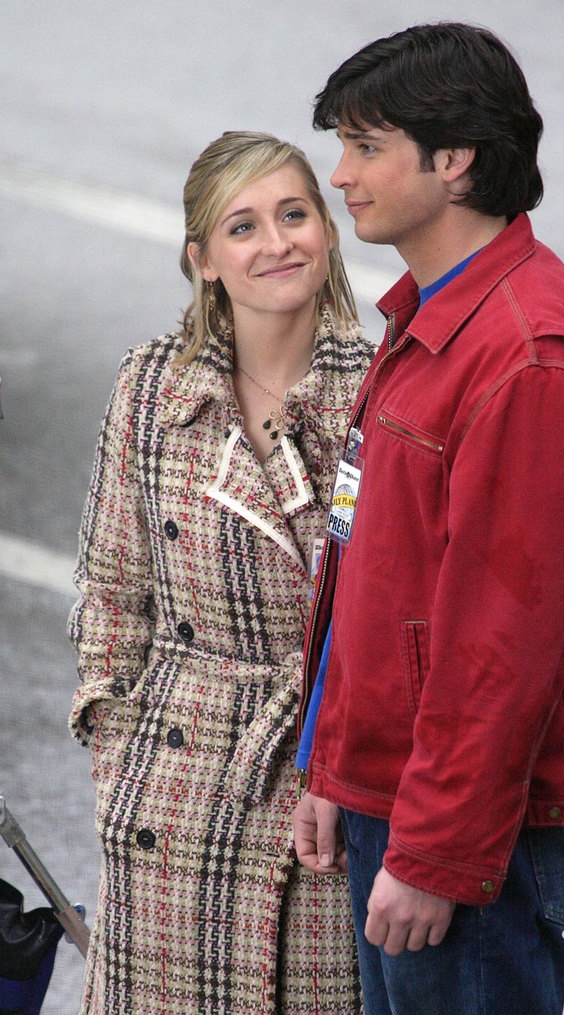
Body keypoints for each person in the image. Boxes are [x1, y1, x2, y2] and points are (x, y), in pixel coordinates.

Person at [292, 23, 564, 1015]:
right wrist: (334, 765)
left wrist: (438, 853)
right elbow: (377, 575)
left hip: (463, 830)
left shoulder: (529, 362)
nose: (340, 174)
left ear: (453, 160)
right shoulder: (436, 312)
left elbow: (503, 647)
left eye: (366, 146)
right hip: (400, 794)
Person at [68, 130, 374, 1015]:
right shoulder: (152, 386)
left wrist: (337, 772)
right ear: (203, 259)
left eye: (293, 215)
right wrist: (118, 752)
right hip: (169, 796)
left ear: (326, 230)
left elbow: (394, 619)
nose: (276, 243)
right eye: (243, 227)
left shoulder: (379, 390)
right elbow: (112, 592)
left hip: (315, 793)